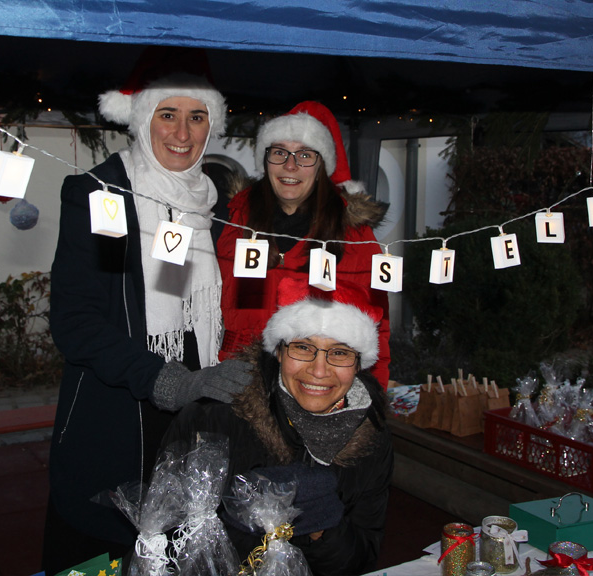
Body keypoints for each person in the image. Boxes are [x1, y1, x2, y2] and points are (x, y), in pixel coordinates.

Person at [42, 57, 252, 574]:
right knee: (107, 557)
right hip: (118, 421)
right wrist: (164, 380)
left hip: (197, 419)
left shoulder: (218, 205)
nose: (182, 132)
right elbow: (76, 321)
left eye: (197, 117)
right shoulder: (101, 194)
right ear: (141, 119)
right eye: (167, 114)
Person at [165, 279, 393, 576]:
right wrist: (243, 521)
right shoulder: (214, 421)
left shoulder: (371, 439)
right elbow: (168, 546)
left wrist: (323, 528)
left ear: (358, 363)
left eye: (339, 353)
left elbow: (361, 561)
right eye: (303, 347)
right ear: (279, 352)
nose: (319, 370)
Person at [217, 101, 391, 388]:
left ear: (321, 165)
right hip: (238, 383)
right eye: (280, 152)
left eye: (305, 155)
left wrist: (373, 400)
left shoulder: (355, 237)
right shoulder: (233, 220)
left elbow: (378, 329)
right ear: (265, 158)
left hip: (316, 387)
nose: (290, 165)